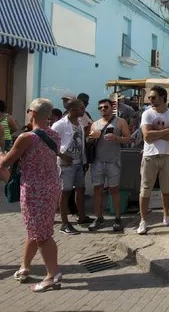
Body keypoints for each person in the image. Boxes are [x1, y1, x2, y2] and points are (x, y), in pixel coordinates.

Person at [0, 99, 62, 292]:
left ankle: (53, 275)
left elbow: (6, 162)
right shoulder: (55, 135)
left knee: (42, 234)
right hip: (51, 186)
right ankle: (25, 266)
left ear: (32, 113)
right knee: (35, 229)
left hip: (34, 190)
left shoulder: (27, 137)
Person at [137, 86, 169, 235]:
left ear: (162, 97)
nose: (150, 99)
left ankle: (166, 216)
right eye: (150, 97)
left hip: (167, 155)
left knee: (167, 189)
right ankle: (143, 220)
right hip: (150, 156)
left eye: (153, 97)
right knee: (145, 188)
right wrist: (165, 131)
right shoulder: (147, 114)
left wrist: (155, 133)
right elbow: (146, 137)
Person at [87, 99, 130, 232]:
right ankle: (98, 217)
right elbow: (89, 142)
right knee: (97, 190)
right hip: (98, 162)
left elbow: (128, 139)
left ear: (112, 108)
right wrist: (91, 138)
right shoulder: (95, 124)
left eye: (106, 107)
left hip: (113, 161)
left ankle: (117, 218)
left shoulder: (120, 122)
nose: (103, 110)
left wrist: (116, 138)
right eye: (100, 108)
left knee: (114, 190)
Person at [51, 99, 93, 235]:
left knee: (80, 189)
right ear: (73, 109)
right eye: (81, 108)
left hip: (79, 163)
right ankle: (64, 223)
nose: (83, 110)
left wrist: (84, 160)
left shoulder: (79, 122)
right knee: (65, 192)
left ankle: (81, 216)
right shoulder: (59, 125)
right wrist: (62, 155)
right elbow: (50, 143)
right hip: (66, 165)